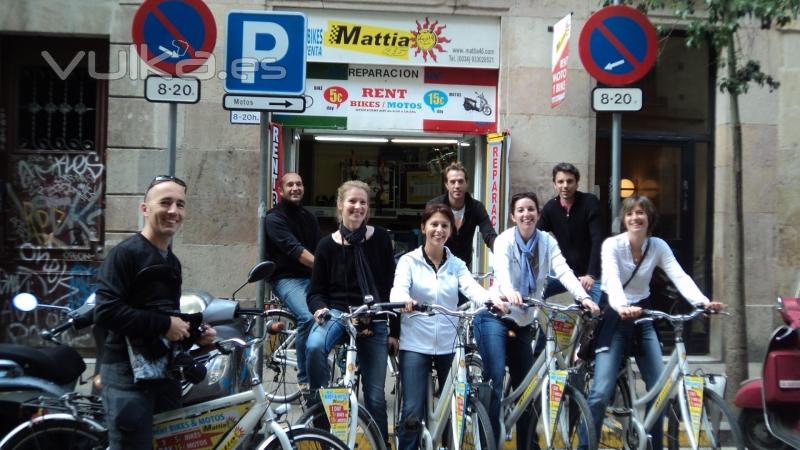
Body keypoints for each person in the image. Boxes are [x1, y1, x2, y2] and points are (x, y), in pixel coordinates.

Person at [585, 195, 723, 450]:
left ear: (649, 218)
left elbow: (679, 276)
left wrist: (702, 303)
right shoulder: (612, 245)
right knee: (601, 390)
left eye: (640, 213)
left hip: (645, 315)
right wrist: (621, 306)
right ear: (623, 219)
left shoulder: (657, 246)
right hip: (615, 315)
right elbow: (613, 280)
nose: (635, 218)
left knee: (658, 388)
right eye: (630, 214)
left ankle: (653, 445)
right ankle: (586, 445)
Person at [94, 175, 215, 450]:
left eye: (180, 205)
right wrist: (164, 324)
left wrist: (195, 334)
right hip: (126, 376)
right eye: (165, 203)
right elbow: (106, 312)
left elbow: (165, 317)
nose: (174, 211)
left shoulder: (172, 262)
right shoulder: (125, 254)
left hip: (163, 374)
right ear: (145, 209)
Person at [472, 191, 599, 450]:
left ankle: (528, 445)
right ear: (513, 215)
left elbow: (563, 270)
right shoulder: (505, 241)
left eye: (531, 209)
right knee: (494, 379)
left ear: (538, 214)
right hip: (496, 315)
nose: (526, 214)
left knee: (528, 388)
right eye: (520, 210)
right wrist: (509, 292)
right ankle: (488, 442)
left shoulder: (546, 242)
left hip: (523, 320)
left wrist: (584, 298)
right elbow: (502, 272)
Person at [390, 203, 497, 450]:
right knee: (412, 412)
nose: (439, 230)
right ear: (423, 228)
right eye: (434, 224)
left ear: (451, 230)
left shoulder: (456, 264)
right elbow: (398, 288)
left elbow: (472, 288)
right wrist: (403, 300)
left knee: (455, 406)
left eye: (444, 226)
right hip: (415, 344)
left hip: (449, 344)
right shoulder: (409, 261)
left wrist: (493, 301)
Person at [305, 180, 397, 444]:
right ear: (340, 205)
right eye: (352, 201)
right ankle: (320, 410)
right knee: (313, 347)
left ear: (368, 208)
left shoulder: (379, 238)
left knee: (375, 397)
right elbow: (314, 291)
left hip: (374, 313)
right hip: (337, 313)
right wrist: (319, 308)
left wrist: (395, 330)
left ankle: (381, 443)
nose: (357, 207)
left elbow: (392, 286)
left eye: (363, 202)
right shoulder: (326, 245)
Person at [264, 172, 320, 393]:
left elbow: (319, 249)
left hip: (311, 277)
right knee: (308, 317)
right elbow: (295, 250)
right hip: (286, 278)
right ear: (280, 190)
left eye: (299, 183)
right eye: (290, 185)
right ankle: (305, 379)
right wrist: (325, 267)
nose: (295, 188)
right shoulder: (274, 218)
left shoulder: (309, 217)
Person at [537, 162, 604, 302]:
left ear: (577, 183)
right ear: (555, 184)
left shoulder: (589, 202)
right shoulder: (551, 208)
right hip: (565, 270)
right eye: (560, 181)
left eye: (569, 181)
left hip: (593, 272)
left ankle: (587, 321)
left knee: (598, 313)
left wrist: (591, 274)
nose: (565, 185)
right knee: (532, 294)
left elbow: (598, 239)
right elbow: (535, 236)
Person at [428, 161, 497, 270]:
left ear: (466, 183)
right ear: (446, 184)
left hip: (463, 268)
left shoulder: (476, 207)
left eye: (460, 181)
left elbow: (489, 235)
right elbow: (428, 237)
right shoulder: (434, 206)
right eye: (453, 182)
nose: (457, 186)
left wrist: (501, 251)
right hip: (437, 266)